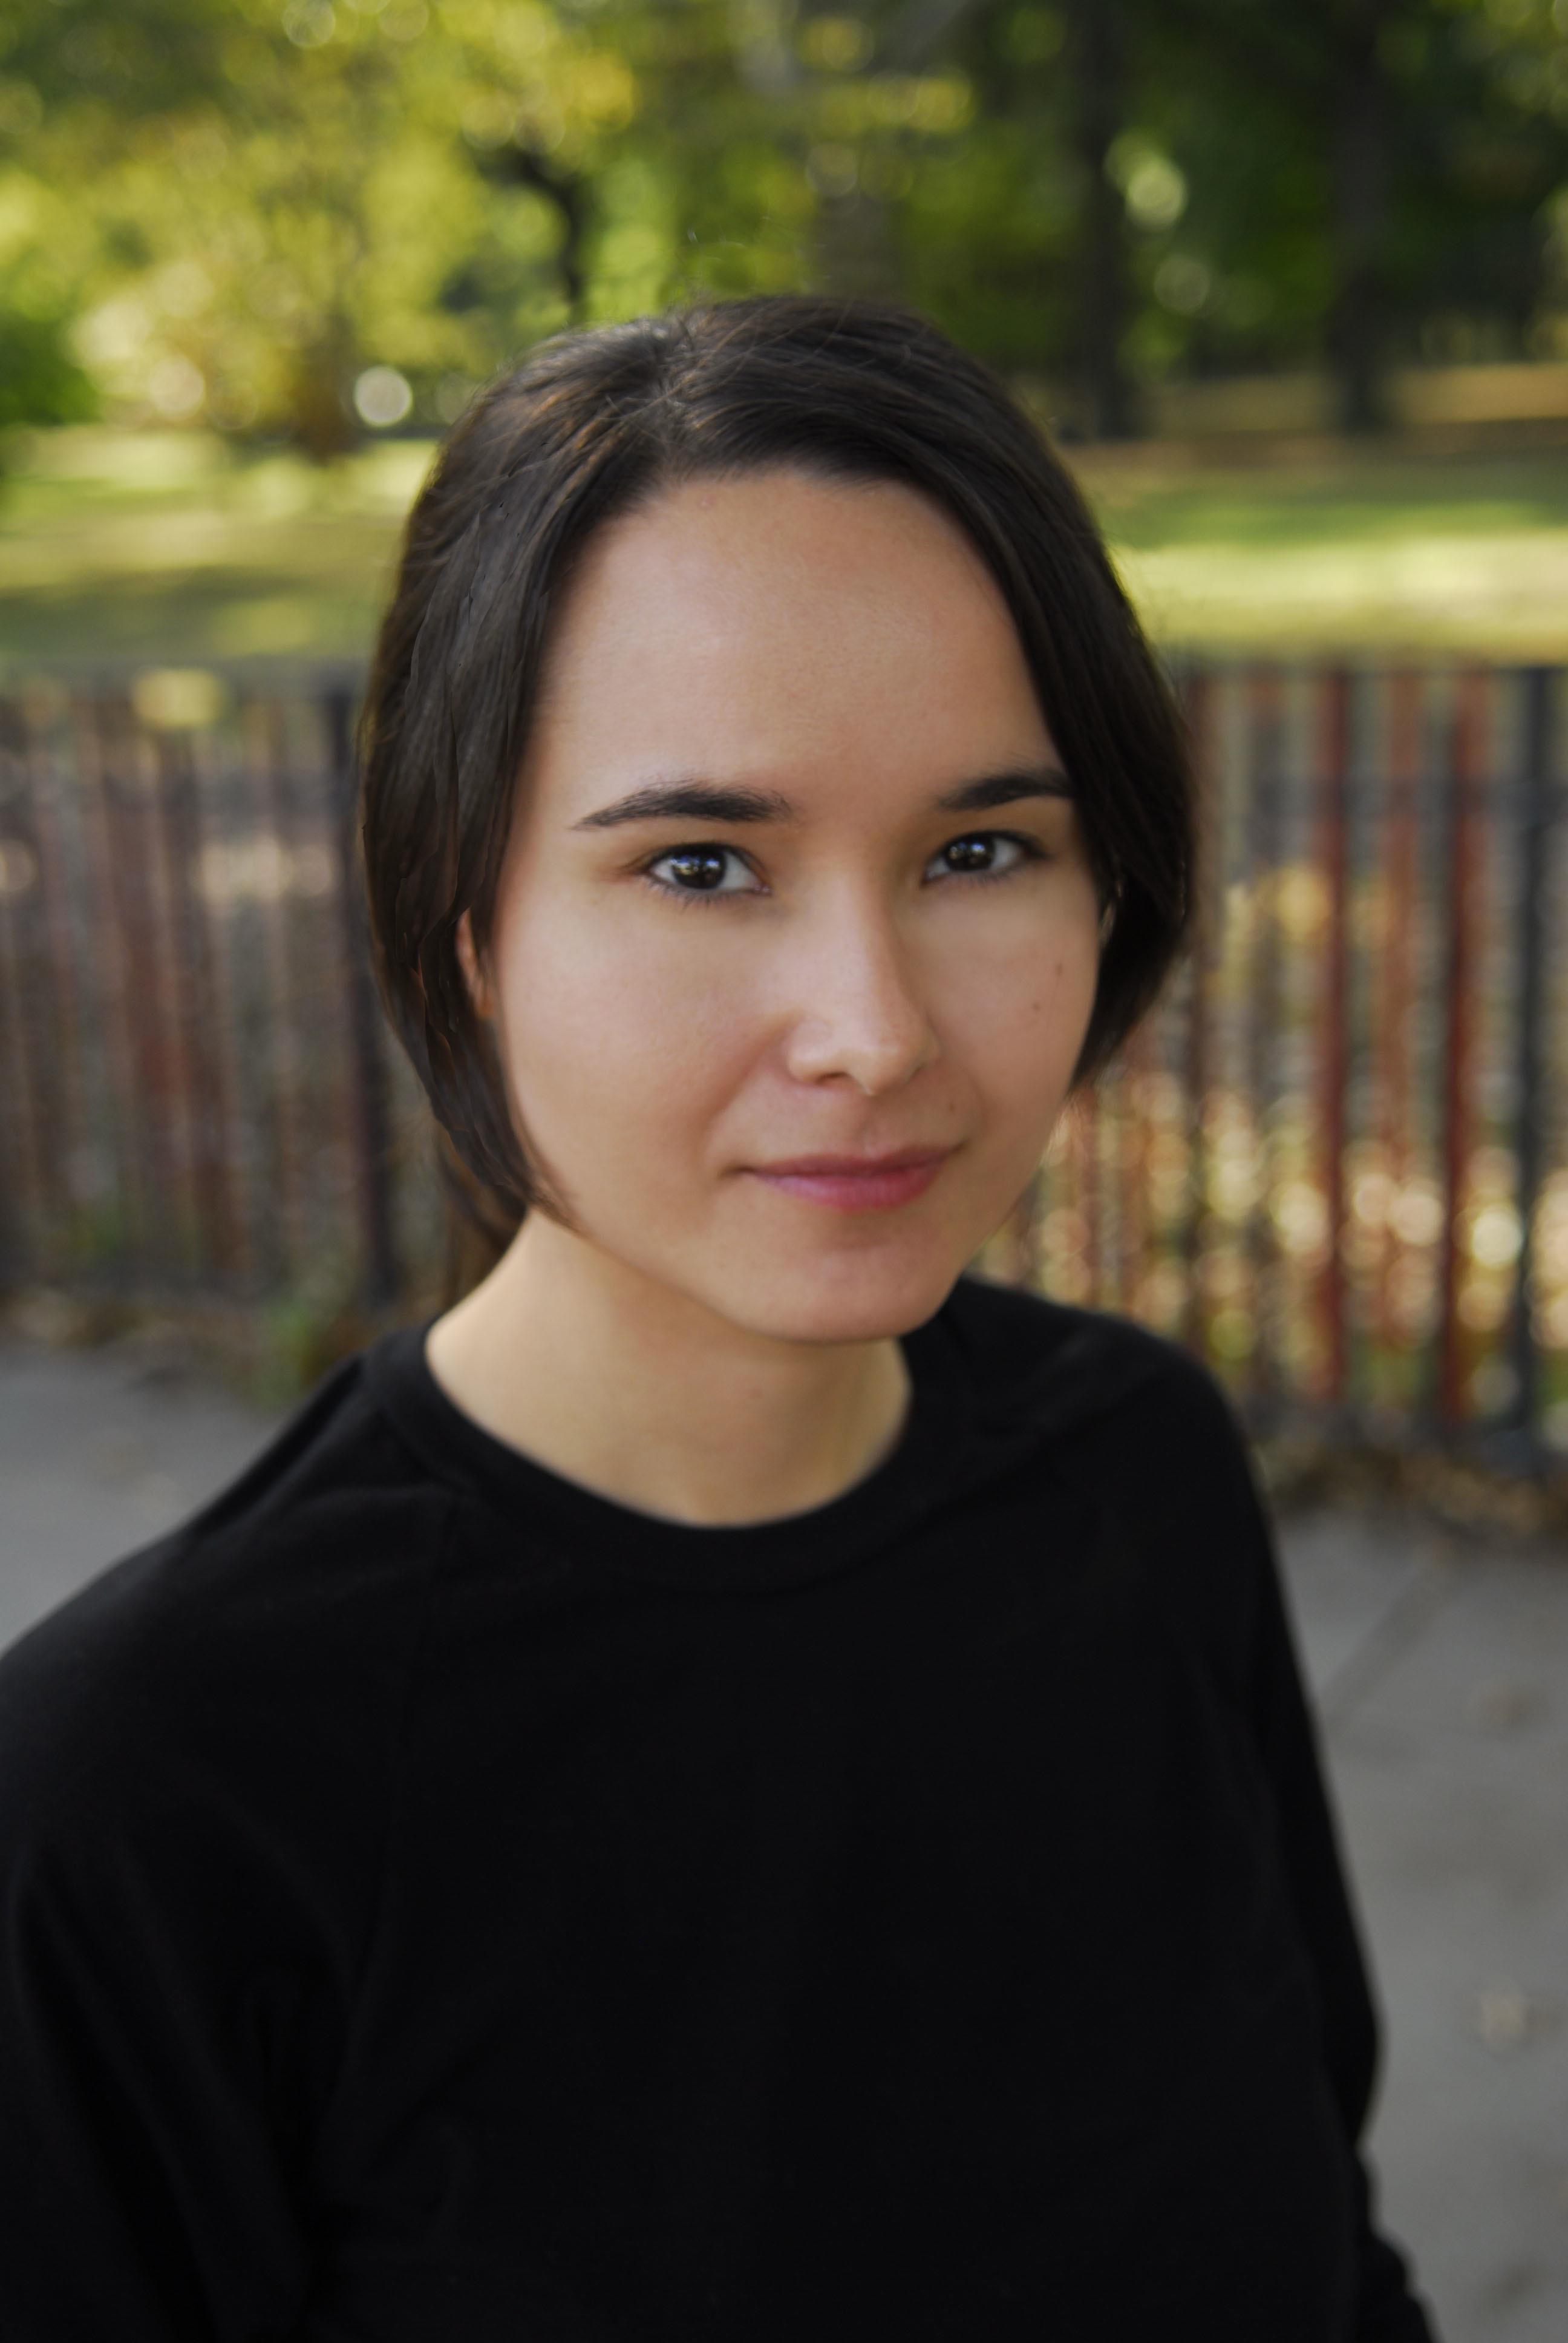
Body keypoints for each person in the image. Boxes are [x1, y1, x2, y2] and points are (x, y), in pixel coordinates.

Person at [0, 294, 1438, 2341]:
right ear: (464, 921)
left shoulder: (1140, 1466)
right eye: (699, 865)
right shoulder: (147, 1797)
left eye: (979, 847)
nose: (873, 1033)